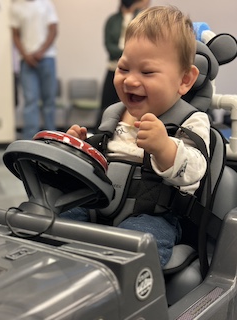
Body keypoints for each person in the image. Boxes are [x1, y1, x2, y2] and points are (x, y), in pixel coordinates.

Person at [61, 6, 210, 268]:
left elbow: (195, 170)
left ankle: (112, 295)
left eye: (147, 72)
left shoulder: (190, 120)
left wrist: (165, 148)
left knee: (135, 244)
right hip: (98, 206)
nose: (130, 81)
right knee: (55, 218)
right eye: (124, 68)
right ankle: (56, 277)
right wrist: (81, 148)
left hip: (151, 217)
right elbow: (101, 156)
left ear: (184, 79)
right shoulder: (115, 114)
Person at [10, 0, 58, 140]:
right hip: (26, 61)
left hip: (48, 58)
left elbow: (53, 30)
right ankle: (30, 142)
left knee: (49, 101)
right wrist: (26, 55)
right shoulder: (16, 7)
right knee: (30, 101)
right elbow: (15, 35)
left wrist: (41, 52)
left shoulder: (47, 4)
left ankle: (52, 139)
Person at [95, 0, 147, 130]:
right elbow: (109, 47)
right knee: (105, 106)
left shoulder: (141, 18)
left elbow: (143, 45)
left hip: (134, 71)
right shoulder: (112, 20)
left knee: (130, 103)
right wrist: (128, 54)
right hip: (113, 68)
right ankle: (100, 134)